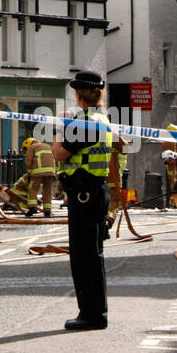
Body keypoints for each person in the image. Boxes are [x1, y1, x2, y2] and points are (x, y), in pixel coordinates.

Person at [53, 70, 113, 331]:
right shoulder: (102, 119)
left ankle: (91, 314)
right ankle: (94, 312)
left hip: (84, 196)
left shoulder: (86, 123)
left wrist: (58, 129)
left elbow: (59, 153)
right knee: (93, 254)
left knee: (83, 257)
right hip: (95, 192)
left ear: (79, 95)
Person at [6, 135, 56, 217]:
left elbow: (28, 161)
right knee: (47, 191)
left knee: (33, 188)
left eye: (25, 149)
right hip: (50, 172)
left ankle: (32, 208)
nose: (26, 151)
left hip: (38, 172)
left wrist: (29, 173)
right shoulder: (48, 146)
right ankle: (47, 211)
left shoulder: (32, 147)